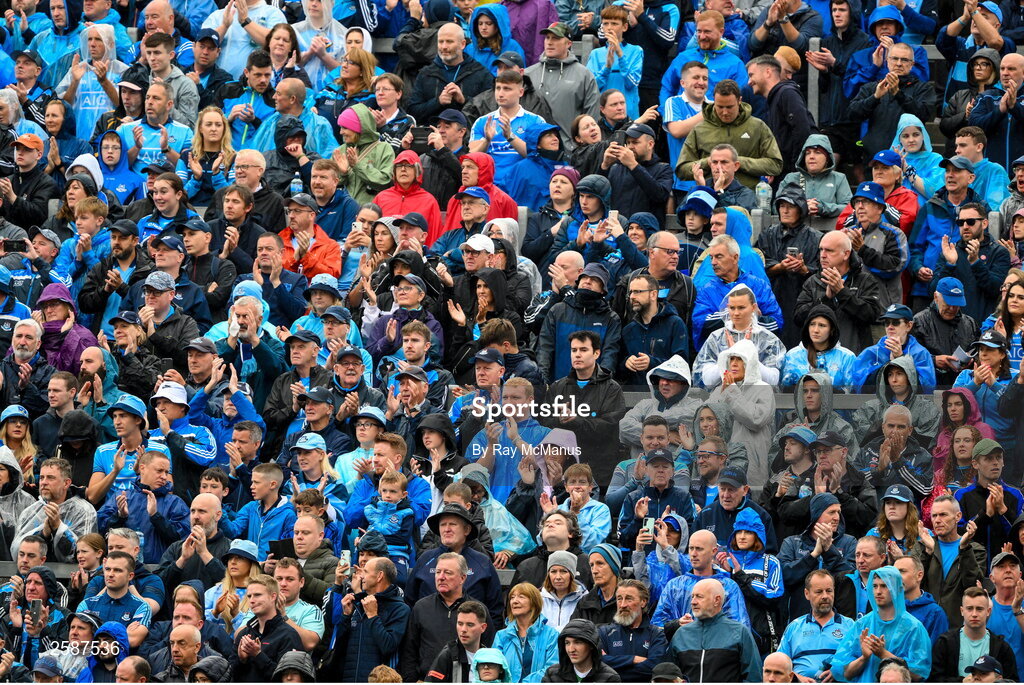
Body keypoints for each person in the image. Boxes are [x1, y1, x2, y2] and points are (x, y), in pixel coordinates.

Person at [909, 156, 988, 307]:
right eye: (948, 171)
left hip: (963, 290)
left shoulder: (981, 209)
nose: (950, 175)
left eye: (957, 171)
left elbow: (987, 246)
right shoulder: (929, 207)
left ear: (971, 178)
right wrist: (917, 268)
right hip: (927, 288)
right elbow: (914, 247)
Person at [830, 566, 932, 681]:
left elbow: (918, 674)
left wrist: (883, 654)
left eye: (884, 586)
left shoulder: (913, 627)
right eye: (875, 586)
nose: (878, 591)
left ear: (898, 589)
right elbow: (844, 673)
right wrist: (864, 657)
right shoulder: (862, 624)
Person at [668, 578, 761, 682]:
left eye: (699, 597)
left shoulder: (739, 632)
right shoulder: (681, 634)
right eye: (692, 597)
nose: (693, 602)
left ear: (717, 600)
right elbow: (669, 677)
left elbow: (753, 677)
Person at [524, 23, 599, 150]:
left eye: (556, 38)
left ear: (569, 44)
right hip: (533, 151)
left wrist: (580, 148)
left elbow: (591, 116)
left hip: (571, 151)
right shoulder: (528, 74)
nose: (549, 42)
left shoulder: (584, 75)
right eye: (547, 38)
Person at [932, 203, 1011, 325]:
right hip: (951, 325)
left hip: (983, 326)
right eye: (960, 222)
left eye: (970, 222)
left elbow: (996, 290)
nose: (965, 226)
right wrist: (950, 265)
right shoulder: (950, 252)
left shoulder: (999, 252)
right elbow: (933, 291)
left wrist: (976, 263)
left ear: (984, 223)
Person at [11, 458, 97, 562]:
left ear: (66, 483)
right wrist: (43, 534)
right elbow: (16, 553)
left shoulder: (84, 511)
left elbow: (83, 556)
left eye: (50, 478)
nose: (43, 482)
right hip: (33, 576)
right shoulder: (30, 512)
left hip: (70, 577)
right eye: (42, 478)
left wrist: (58, 527)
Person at [408, 23, 495, 123]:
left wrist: (464, 101)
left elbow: (491, 111)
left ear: (462, 44)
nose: (444, 46)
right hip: (432, 134)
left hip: (468, 135)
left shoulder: (480, 73)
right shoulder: (426, 74)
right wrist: (437, 102)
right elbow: (412, 112)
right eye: (441, 42)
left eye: (449, 42)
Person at [778, 569, 853, 681]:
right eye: (819, 592)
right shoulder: (794, 627)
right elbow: (778, 664)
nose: (825, 596)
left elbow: (861, 661)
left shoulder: (850, 626)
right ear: (807, 594)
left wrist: (839, 671)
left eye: (829, 591)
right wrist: (798, 678)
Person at [227, 575, 303, 682]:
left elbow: (286, 679)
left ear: (273, 597)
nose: (252, 600)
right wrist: (242, 660)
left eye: (257, 595)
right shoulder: (244, 634)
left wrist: (258, 655)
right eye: (249, 596)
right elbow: (230, 676)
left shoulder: (288, 635)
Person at [913, 278, 981, 387]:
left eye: (957, 304)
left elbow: (980, 351)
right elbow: (909, 356)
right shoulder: (919, 322)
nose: (952, 308)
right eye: (948, 303)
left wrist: (972, 360)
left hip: (962, 389)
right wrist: (933, 360)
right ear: (936, 297)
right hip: (931, 387)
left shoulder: (970, 323)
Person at [1, 133, 57, 229]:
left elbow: (38, 216)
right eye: (18, 149)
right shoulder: (7, 180)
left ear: (39, 155)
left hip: (32, 240)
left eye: (27, 149)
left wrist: (12, 198)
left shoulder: (47, 183)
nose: (20, 153)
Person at [424, 600, 490, 682]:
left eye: (470, 625)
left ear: (483, 627)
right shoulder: (447, 656)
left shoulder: (489, 656)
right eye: (460, 624)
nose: (463, 629)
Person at [541, 618, 622, 682]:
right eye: (567, 643)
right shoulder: (552, 674)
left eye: (577, 642)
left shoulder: (610, 678)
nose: (571, 649)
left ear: (591, 645)